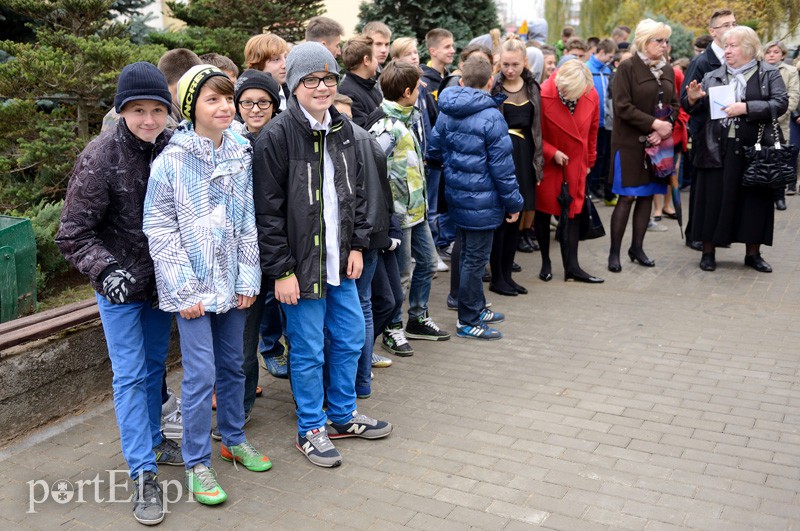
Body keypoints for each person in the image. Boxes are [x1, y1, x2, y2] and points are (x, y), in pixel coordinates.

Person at [252, 42, 392, 468]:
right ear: (294, 85)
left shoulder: (345, 131)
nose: (321, 87)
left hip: (340, 263)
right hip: (300, 270)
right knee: (309, 350)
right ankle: (311, 427)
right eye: (310, 79)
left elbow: (356, 195)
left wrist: (355, 245)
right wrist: (281, 271)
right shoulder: (276, 136)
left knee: (349, 338)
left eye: (328, 78)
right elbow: (267, 211)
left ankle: (343, 415)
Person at [56, 62, 181, 526]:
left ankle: (153, 439)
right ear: (121, 110)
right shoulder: (101, 155)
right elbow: (72, 233)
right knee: (129, 375)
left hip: (159, 284)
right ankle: (142, 473)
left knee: (153, 369)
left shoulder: (173, 146)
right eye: (137, 110)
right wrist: (106, 269)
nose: (148, 120)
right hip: (119, 286)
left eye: (156, 110)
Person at [144, 65, 272, 506]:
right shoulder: (172, 161)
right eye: (211, 99)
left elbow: (247, 221)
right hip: (194, 291)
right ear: (190, 106)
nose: (224, 107)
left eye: (227, 98)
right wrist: (184, 292)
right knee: (200, 374)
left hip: (233, 284)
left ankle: (233, 438)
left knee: (235, 363)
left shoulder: (240, 150)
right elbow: (159, 229)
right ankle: (197, 461)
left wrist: (248, 277)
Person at [208, 69, 284, 442]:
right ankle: (239, 409)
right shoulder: (230, 142)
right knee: (242, 339)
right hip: (245, 256)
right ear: (238, 106)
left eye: (263, 102)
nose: (255, 108)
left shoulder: (284, 137)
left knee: (299, 332)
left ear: (275, 104)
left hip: (284, 251)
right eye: (248, 102)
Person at [430, 57, 523, 340]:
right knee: (475, 259)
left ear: (461, 81)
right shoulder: (492, 115)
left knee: (469, 254)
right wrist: (515, 203)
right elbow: (503, 167)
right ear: (490, 82)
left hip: (457, 195)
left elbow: (433, 151)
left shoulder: (447, 110)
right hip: (483, 200)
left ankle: (476, 306)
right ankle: (467, 320)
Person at [683, 26, 788, 272]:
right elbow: (694, 111)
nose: (727, 51)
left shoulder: (768, 74)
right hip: (718, 147)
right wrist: (693, 99)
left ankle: (753, 254)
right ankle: (708, 252)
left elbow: (781, 103)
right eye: (725, 46)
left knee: (754, 200)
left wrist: (747, 108)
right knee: (712, 199)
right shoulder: (714, 75)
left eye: (733, 46)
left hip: (755, 149)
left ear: (750, 48)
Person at [368, 60, 452, 348]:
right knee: (401, 275)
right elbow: (374, 172)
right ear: (406, 91)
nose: (421, 91)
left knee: (428, 263)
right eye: (417, 87)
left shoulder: (409, 117)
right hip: (399, 216)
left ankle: (418, 317)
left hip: (418, 212)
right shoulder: (385, 127)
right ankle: (393, 327)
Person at [332, 93, 395, 396]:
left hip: (355, 238)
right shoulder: (369, 140)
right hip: (372, 234)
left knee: (352, 310)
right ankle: (363, 380)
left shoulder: (344, 143)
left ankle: (354, 380)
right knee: (364, 306)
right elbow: (384, 191)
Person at [607, 19, 678, 273]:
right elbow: (622, 107)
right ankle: (614, 253)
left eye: (665, 41)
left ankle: (637, 248)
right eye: (658, 40)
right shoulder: (627, 68)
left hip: (656, 147)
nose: (664, 45)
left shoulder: (667, 69)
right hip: (629, 145)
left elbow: (675, 104)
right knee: (626, 197)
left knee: (647, 196)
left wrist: (664, 127)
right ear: (644, 42)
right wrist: (654, 125)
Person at [535, 59, 603, 284]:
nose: (573, 97)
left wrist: (590, 161)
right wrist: (551, 152)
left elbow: (593, 131)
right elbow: (534, 135)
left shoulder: (589, 93)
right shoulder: (543, 94)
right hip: (550, 165)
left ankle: (572, 266)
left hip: (576, 165)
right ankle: (546, 261)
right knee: (544, 213)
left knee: (573, 214)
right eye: (569, 93)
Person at [489, 35, 544, 296]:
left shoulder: (533, 87)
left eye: (515, 65)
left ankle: (508, 275)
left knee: (517, 216)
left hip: (525, 158)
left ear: (524, 61)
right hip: (502, 157)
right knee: (502, 218)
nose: (510, 70)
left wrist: (539, 163)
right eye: (505, 65)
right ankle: (497, 276)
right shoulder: (494, 88)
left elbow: (538, 129)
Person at [682, 9, 737, 252]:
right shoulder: (702, 62)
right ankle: (694, 233)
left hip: (730, 132)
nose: (731, 27)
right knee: (702, 185)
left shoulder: (737, 60)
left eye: (734, 23)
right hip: (705, 132)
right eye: (725, 24)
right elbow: (685, 100)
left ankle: (718, 232)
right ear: (712, 32)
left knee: (722, 185)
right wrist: (693, 100)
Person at [763, 40, 800, 208]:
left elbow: (793, 96)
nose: (772, 55)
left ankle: (779, 195)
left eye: (776, 52)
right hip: (759, 120)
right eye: (769, 51)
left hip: (780, 122)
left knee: (779, 157)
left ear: (783, 55)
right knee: (760, 156)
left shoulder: (790, 71)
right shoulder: (757, 69)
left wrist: (778, 116)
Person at [586, 38, 617, 202]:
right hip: (592, 121)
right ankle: (590, 186)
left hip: (606, 121)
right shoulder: (587, 69)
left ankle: (599, 185)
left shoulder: (607, 70)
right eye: (609, 56)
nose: (611, 60)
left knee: (604, 155)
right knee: (593, 154)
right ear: (602, 52)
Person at [339, 35, 382, 127]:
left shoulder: (370, 87)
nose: (377, 62)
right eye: (374, 57)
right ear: (366, 60)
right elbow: (363, 129)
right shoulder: (347, 93)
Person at [244, 33, 290, 112]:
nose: (285, 65)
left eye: (285, 57)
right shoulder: (245, 103)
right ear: (257, 64)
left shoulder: (295, 95)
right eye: (276, 59)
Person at [421, 28, 456, 101]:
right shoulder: (423, 82)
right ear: (433, 51)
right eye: (447, 47)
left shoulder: (452, 78)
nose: (453, 51)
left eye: (452, 46)